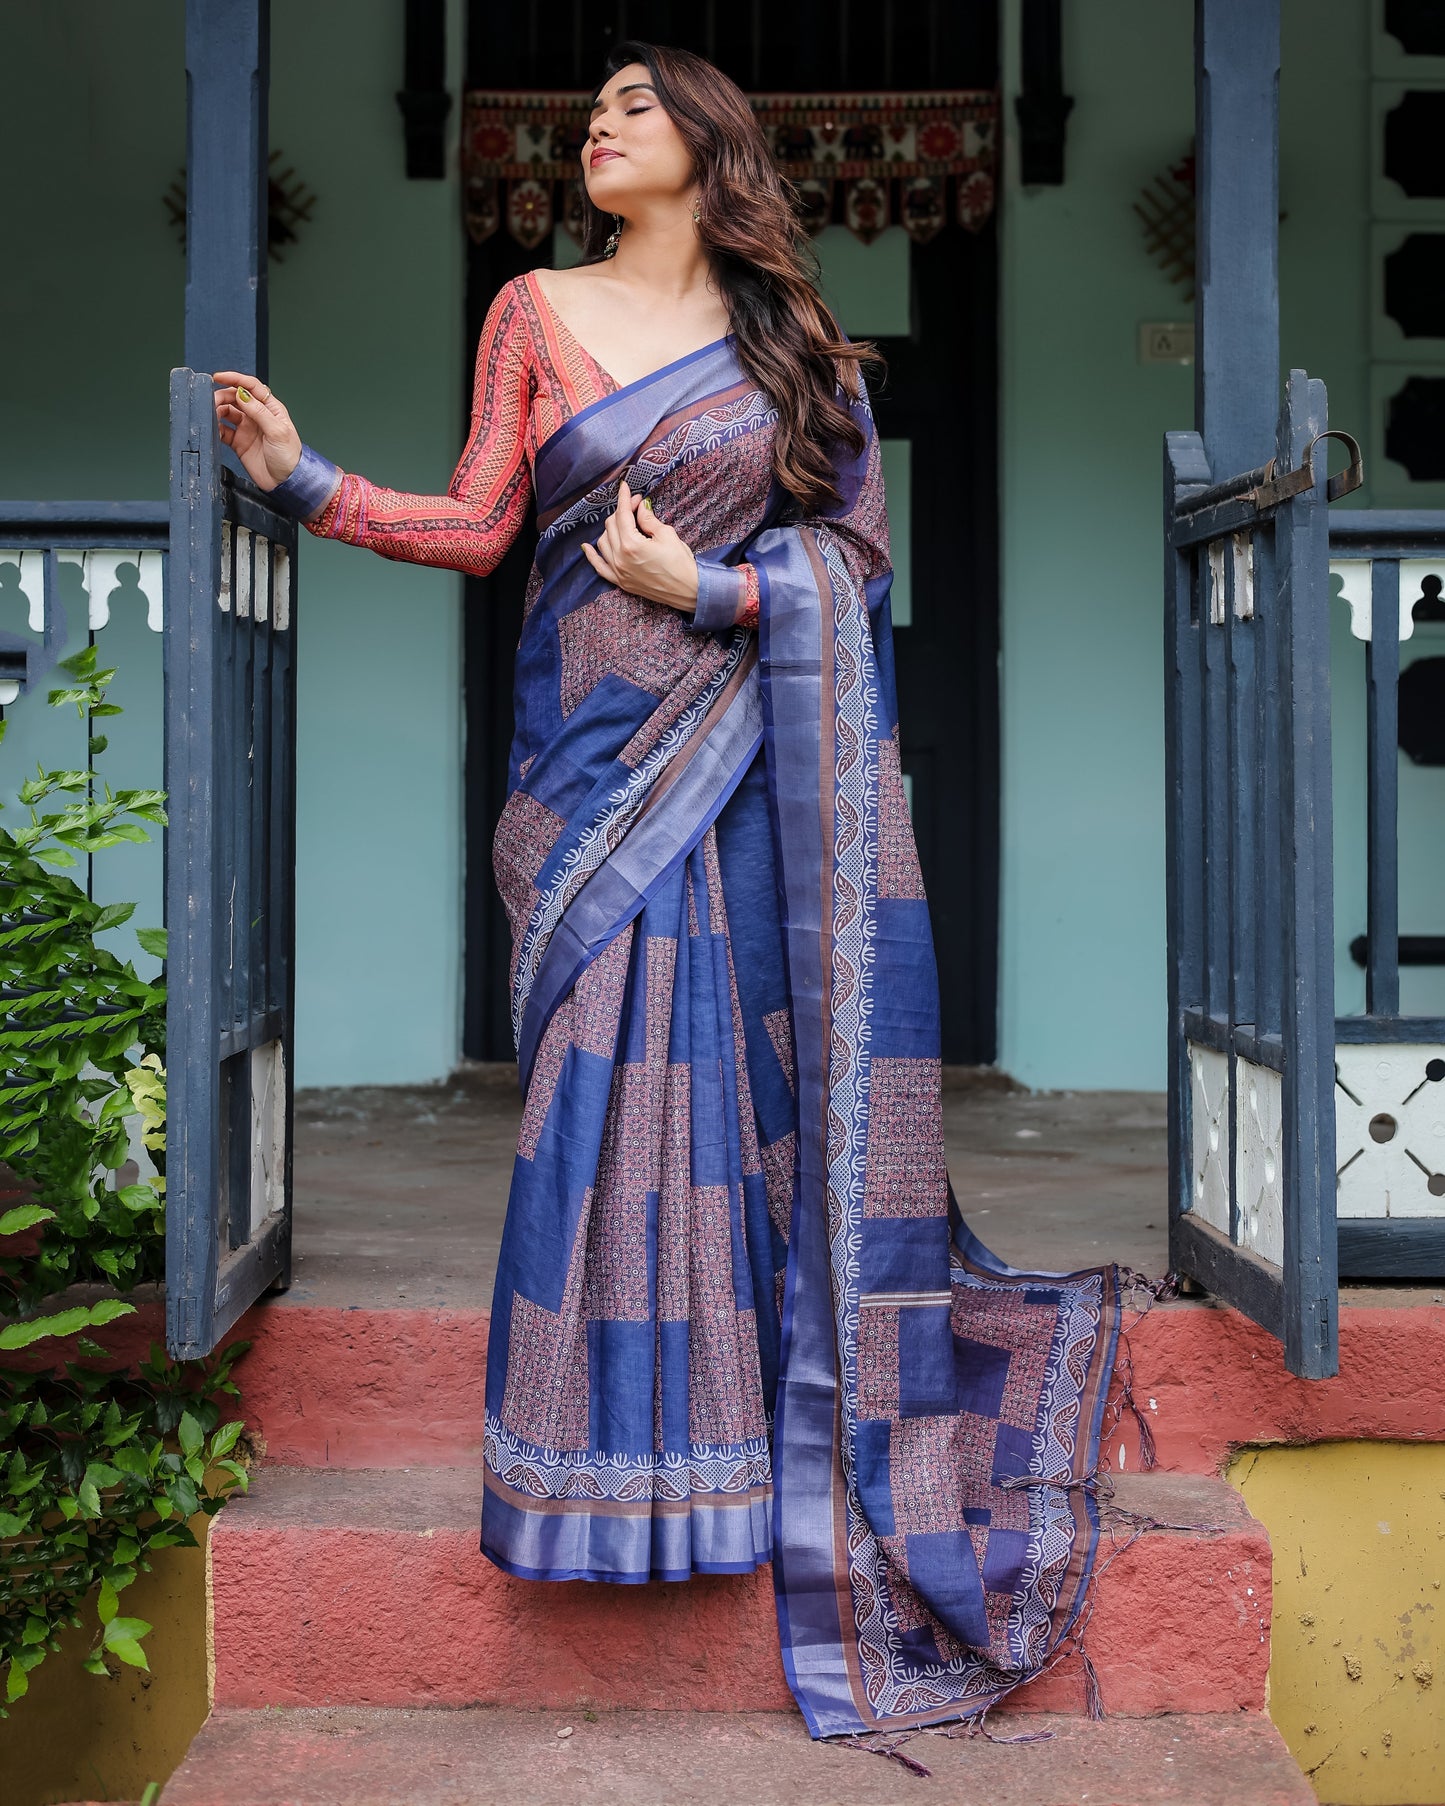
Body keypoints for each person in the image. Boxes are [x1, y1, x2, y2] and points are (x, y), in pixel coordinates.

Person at [212, 40, 1123, 1742]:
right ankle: (586, 1470)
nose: (596, 127)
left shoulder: (795, 352)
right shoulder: (528, 314)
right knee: (588, 1098)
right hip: (581, 777)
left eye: (631, 107)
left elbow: (853, 567)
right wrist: (306, 481)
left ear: (706, 148)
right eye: (592, 110)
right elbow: (484, 523)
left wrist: (701, 580)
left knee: (740, 1103)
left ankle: (724, 1471)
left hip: (745, 773)